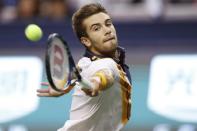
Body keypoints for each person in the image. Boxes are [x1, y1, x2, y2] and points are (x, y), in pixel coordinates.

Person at [37, 3, 132, 131]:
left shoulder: (85, 63)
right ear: (86, 41)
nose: (107, 30)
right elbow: (104, 75)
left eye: (108, 23)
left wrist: (64, 85)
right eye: (96, 28)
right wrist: (95, 84)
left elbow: (79, 71)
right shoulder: (107, 64)